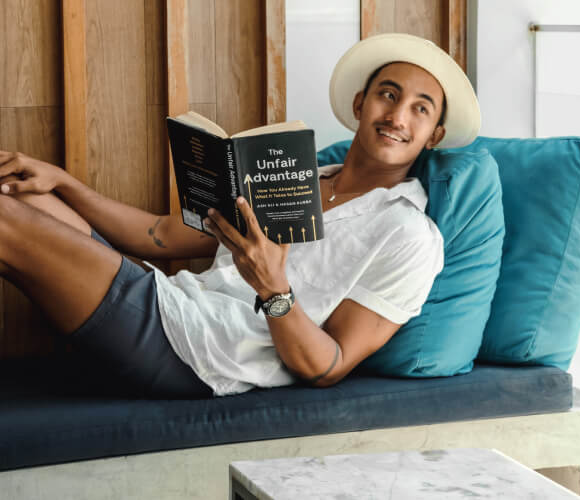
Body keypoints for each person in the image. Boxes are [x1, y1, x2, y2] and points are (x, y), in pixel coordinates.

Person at [0, 33, 480, 398]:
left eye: (420, 109)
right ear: (360, 103)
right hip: (175, 301)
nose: (398, 117)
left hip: (201, 352)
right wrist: (63, 184)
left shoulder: (409, 235)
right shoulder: (292, 179)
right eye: (388, 95)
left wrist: (273, 288)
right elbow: (157, 235)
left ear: (434, 136)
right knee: (20, 195)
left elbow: (328, 366)